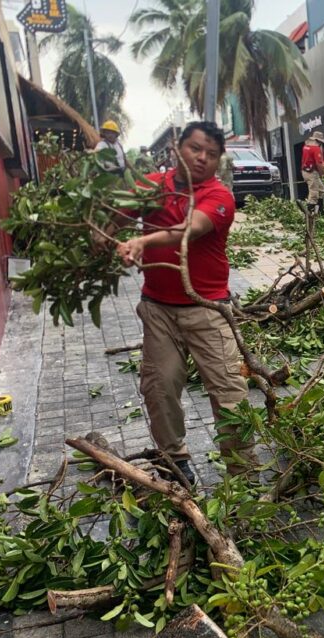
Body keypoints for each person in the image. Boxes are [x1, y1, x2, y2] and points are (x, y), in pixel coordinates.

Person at [114, 121, 257, 485]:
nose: (202, 158)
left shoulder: (219, 196)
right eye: (195, 148)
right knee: (158, 389)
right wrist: (107, 235)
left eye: (211, 154)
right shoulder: (149, 186)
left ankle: (243, 478)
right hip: (158, 308)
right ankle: (175, 463)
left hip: (209, 310)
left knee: (230, 397)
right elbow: (116, 215)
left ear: (219, 160)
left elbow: (188, 230)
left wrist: (143, 243)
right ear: (178, 147)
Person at [301, 131, 324, 212]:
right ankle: (309, 212)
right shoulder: (316, 148)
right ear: (319, 141)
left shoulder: (306, 146)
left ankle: (321, 209)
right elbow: (319, 163)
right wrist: (322, 174)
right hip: (312, 172)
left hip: (305, 171)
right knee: (314, 193)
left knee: (321, 190)